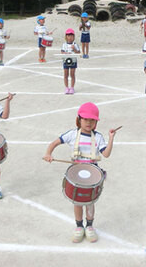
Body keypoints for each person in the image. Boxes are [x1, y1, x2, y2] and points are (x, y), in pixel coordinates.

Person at [43, 102, 117, 243]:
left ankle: (89, 226)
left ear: (96, 122)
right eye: (85, 119)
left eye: (92, 120)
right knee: (77, 201)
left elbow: (106, 154)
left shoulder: (99, 137)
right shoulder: (72, 134)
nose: (88, 122)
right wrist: (48, 153)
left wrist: (111, 138)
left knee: (89, 202)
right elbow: (54, 143)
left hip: (92, 175)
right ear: (79, 119)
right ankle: (79, 227)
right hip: (76, 174)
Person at [61, 28, 81, 94]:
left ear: (73, 37)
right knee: (65, 74)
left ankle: (72, 87)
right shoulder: (64, 45)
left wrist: (74, 49)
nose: (70, 37)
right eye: (68, 36)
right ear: (66, 37)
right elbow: (62, 52)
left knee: (72, 74)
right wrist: (65, 53)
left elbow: (79, 53)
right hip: (66, 61)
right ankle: (66, 87)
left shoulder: (75, 44)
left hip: (73, 61)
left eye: (71, 36)